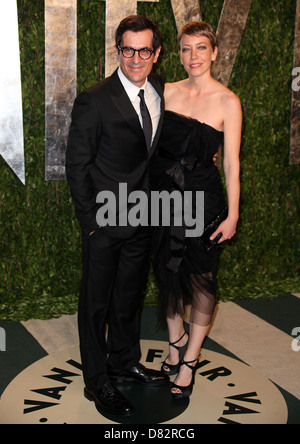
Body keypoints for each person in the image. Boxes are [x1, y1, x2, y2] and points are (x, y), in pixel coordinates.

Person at [65, 15, 168, 417]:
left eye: (144, 50)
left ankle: (124, 361)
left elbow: (154, 146)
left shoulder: (159, 89)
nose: (136, 58)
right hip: (105, 222)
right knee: (96, 304)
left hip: (143, 218)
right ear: (117, 50)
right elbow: (77, 165)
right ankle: (97, 379)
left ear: (156, 54)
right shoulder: (95, 98)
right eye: (128, 49)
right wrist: (91, 222)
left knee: (128, 298)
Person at [151, 21, 242, 399]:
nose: (193, 57)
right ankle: (175, 344)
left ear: (214, 52)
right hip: (162, 197)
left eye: (201, 48)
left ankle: (189, 360)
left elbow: (232, 163)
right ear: (179, 52)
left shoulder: (227, 101)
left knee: (201, 279)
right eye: (186, 49)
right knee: (165, 271)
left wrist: (233, 214)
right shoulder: (165, 91)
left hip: (203, 198)